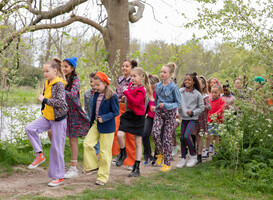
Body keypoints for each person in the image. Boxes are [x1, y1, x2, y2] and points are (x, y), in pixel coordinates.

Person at [25, 58, 68, 187]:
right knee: (30, 128)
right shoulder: (47, 82)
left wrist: (44, 100)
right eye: (43, 71)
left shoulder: (58, 84)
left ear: (55, 71)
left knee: (57, 148)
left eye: (47, 71)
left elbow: (60, 103)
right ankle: (39, 155)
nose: (45, 73)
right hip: (47, 117)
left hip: (58, 120)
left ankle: (58, 177)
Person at [83, 71, 119, 186]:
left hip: (107, 126)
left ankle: (102, 177)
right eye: (94, 84)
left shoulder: (112, 96)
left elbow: (116, 112)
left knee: (105, 153)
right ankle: (93, 166)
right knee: (87, 144)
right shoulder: (96, 94)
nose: (96, 87)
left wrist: (104, 117)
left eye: (98, 85)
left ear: (105, 83)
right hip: (95, 124)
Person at [116, 67, 152, 177]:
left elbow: (136, 102)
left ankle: (136, 168)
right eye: (131, 76)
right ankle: (123, 153)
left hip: (138, 117)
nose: (132, 78)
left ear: (141, 77)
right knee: (119, 135)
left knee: (137, 143)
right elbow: (130, 99)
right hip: (128, 115)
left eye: (134, 76)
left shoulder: (142, 90)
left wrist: (126, 93)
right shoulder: (131, 87)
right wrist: (124, 97)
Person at [62, 57, 90, 179]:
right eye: (62, 66)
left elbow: (73, 95)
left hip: (73, 112)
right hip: (61, 111)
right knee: (53, 133)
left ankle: (74, 168)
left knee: (73, 139)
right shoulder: (60, 78)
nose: (63, 69)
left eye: (66, 67)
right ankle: (59, 164)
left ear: (72, 68)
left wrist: (58, 92)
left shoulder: (76, 79)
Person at [151, 63, 181, 172]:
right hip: (159, 112)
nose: (162, 74)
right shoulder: (158, 86)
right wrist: (155, 107)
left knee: (167, 138)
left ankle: (167, 164)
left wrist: (167, 105)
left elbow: (178, 103)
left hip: (170, 114)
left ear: (170, 74)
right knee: (154, 132)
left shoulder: (174, 87)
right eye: (161, 72)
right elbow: (157, 100)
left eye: (164, 72)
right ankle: (160, 153)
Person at [112, 59, 137, 170]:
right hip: (119, 107)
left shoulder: (134, 80)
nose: (124, 68)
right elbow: (117, 92)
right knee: (116, 130)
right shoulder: (120, 79)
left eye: (127, 66)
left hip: (130, 109)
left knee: (129, 135)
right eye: (123, 66)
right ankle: (120, 154)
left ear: (132, 68)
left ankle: (131, 161)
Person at [176, 73, 204, 168]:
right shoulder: (180, 91)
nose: (186, 81)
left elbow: (201, 108)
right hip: (183, 118)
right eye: (185, 80)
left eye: (189, 80)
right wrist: (177, 112)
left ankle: (193, 156)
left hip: (192, 118)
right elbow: (176, 103)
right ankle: (183, 159)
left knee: (187, 136)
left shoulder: (197, 94)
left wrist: (192, 112)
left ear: (193, 82)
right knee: (182, 138)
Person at [142, 74, 160, 165]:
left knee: (156, 136)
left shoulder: (161, 93)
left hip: (159, 117)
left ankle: (157, 156)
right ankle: (147, 155)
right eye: (150, 83)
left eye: (154, 83)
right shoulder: (147, 93)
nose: (152, 86)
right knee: (144, 134)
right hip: (149, 116)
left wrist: (156, 108)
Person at [193, 76, 211, 163]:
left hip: (201, 119)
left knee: (199, 137)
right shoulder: (193, 94)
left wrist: (200, 107)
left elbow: (208, 106)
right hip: (193, 118)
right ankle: (192, 153)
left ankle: (199, 154)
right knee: (192, 135)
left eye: (199, 84)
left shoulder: (205, 96)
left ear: (203, 85)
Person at [84, 72, 100, 156]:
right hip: (91, 120)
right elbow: (86, 107)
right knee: (93, 140)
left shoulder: (102, 93)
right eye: (90, 81)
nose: (92, 84)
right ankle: (94, 156)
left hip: (101, 119)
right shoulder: (87, 94)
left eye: (94, 81)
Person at [207, 83, 225, 155]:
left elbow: (221, 109)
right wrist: (208, 117)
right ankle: (211, 147)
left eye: (215, 92)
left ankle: (216, 150)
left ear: (219, 92)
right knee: (210, 135)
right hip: (210, 120)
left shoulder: (221, 100)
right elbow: (207, 110)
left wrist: (215, 115)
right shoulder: (209, 100)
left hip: (218, 121)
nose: (214, 94)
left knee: (216, 135)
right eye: (212, 92)